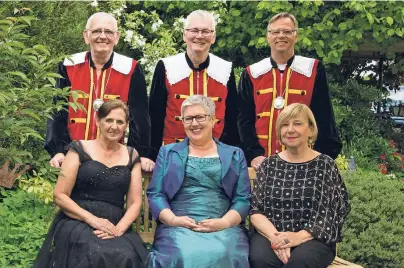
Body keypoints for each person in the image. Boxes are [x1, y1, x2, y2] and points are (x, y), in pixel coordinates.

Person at [35, 100, 148, 268]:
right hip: (78, 219)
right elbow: (60, 195)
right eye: (109, 120)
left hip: (115, 224)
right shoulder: (79, 149)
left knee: (126, 255)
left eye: (120, 122)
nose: (114, 126)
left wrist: (120, 228)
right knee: (92, 252)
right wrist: (93, 220)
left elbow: (135, 202)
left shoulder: (132, 155)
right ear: (98, 121)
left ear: (126, 125)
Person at [146, 95, 250, 267]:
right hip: (179, 224)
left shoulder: (234, 154)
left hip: (223, 224)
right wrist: (172, 220)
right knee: (181, 253)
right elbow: (156, 194)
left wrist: (224, 222)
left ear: (212, 120)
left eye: (200, 117)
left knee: (227, 253)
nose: (194, 124)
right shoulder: (168, 152)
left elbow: (242, 198)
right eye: (188, 119)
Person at [45, 12, 154, 172]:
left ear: (116, 37)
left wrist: (139, 153)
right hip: (73, 153)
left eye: (108, 32)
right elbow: (58, 111)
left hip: (114, 157)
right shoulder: (69, 65)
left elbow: (140, 117)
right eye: (96, 31)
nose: (102, 36)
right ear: (86, 35)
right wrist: (58, 151)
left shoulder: (131, 69)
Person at [249, 103, 349, 268]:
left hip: (313, 237)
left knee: (298, 263)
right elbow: (255, 211)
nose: (290, 129)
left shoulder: (325, 165)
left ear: (310, 129)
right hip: (271, 233)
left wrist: (297, 237)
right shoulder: (269, 165)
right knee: (262, 260)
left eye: (297, 123)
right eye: (285, 125)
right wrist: (277, 238)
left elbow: (332, 213)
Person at [238, 12, 342, 171]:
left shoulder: (313, 70)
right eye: (275, 32)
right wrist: (253, 154)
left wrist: (318, 157)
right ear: (268, 36)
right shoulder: (252, 73)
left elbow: (323, 117)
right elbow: (244, 120)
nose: (281, 36)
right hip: (262, 163)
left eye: (287, 32)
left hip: (305, 163)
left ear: (296, 36)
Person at [148, 10, 239, 161]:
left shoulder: (225, 69)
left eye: (205, 31)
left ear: (213, 37)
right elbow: (154, 115)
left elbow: (232, 119)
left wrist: (231, 157)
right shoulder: (166, 67)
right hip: (172, 156)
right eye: (194, 30)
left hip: (215, 158)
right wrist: (151, 155)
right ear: (184, 34)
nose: (199, 36)